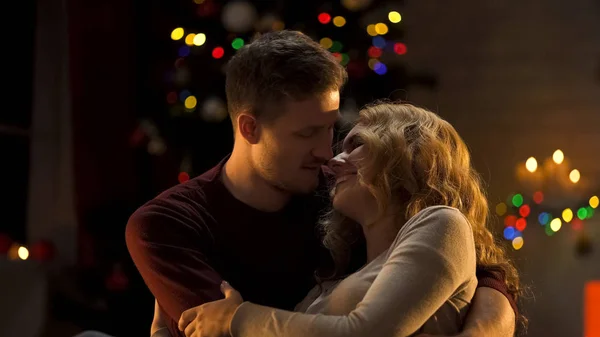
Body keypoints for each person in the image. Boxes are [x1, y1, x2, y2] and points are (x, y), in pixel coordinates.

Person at [126, 31, 518, 337]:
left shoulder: (347, 194)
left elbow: (474, 267)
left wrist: (482, 329)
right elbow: (214, 328)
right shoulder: (168, 225)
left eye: (330, 129)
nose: (326, 153)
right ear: (250, 127)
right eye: (307, 133)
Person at [174, 102, 524, 337]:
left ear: (406, 154)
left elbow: (365, 333)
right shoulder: (338, 272)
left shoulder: (442, 223)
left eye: (356, 145)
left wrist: (238, 319)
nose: (332, 160)